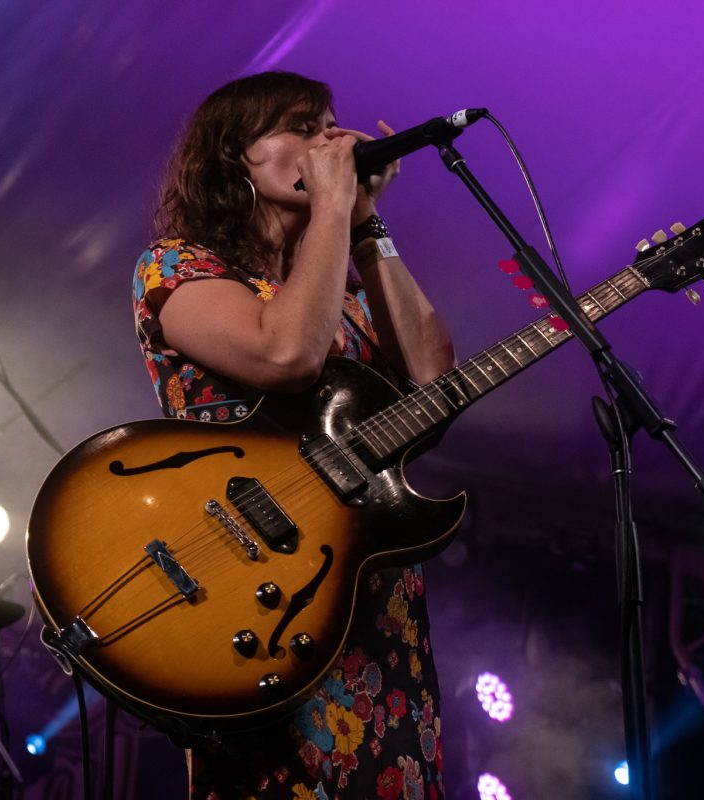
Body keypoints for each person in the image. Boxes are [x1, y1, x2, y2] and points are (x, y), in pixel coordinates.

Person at [133, 71, 455, 800]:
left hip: (369, 598)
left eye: (331, 125)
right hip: (256, 598)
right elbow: (287, 354)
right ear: (231, 157)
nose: (330, 141)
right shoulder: (180, 268)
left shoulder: (340, 293)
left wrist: (367, 222)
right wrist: (336, 205)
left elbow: (433, 383)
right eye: (301, 126)